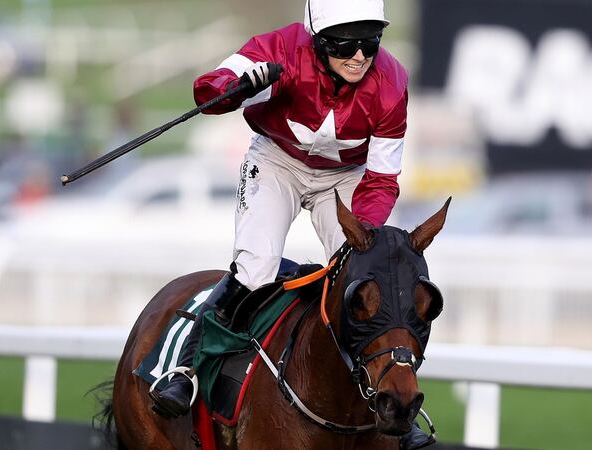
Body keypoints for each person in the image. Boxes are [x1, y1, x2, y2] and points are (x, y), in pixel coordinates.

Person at [152, 0, 431, 447]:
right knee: (256, 267)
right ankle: (185, 368)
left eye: (370, 42)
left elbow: (381, 180)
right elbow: (208, 94)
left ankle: (395, 399)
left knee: (366, 275)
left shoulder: (392, 82)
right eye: (346, 43)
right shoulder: (279, 50)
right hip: (276, 161)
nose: (360, 56)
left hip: (344, 178)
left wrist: (365, 237)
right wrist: (238, 85)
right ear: (318, 41)